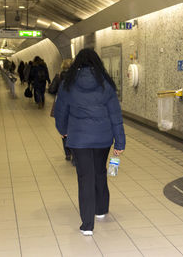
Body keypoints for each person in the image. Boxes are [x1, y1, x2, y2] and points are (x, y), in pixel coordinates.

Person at [54, 48, 126, 236]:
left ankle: (87, 225)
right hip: (103, 138)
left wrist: (63, 131)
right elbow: (115, 116)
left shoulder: (67, 84)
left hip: (79, 140)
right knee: (100, 172)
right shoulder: (106, 83)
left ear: (77, 63)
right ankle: (101, 210)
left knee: (85, 178)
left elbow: (60, 112)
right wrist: (119, 142)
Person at [49, 59, 73, 163]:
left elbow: (51, 90)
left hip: (61, 103)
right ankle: (75, 154)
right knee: (73, 129)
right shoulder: (76, 77)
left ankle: (68, 153)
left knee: (64, 129)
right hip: (73, 106)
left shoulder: (58, 76)